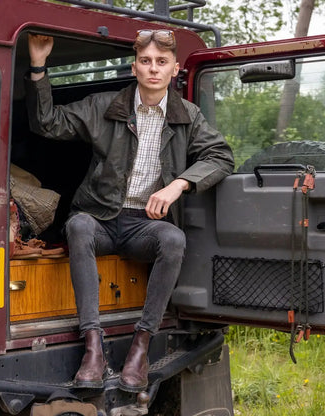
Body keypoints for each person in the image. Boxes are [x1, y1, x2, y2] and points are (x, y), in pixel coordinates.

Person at [25, 30, 234, 392]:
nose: (153, 69)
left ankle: (140, 346)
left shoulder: (188, 116)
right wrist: (39, 66)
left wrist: (178, 184)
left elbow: (222, 156)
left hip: (144, 227)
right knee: (79, 228)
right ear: (134, 67)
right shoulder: (104, 106)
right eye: (146, 61)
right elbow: (48, 123)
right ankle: (93, 347)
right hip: (101, 218)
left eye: (161, 62)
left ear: (174, 70)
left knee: (173, 239)